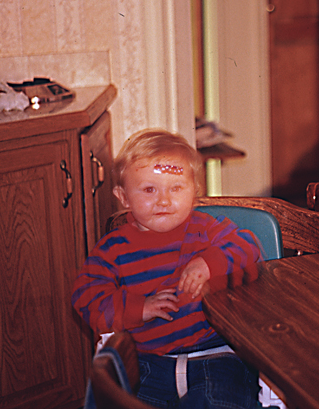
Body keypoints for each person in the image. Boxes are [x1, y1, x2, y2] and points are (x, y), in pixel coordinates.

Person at [72, 128, 262, 409]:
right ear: (123, 197)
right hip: (149, 365)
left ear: (195, 192)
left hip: (217, 358)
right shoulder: (114, 248)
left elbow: (249, 247)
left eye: (176, 188)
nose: (163, 200)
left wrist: (208, 263)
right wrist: (140, 308)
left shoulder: (206, 230)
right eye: (149, 189)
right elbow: (85, 295)